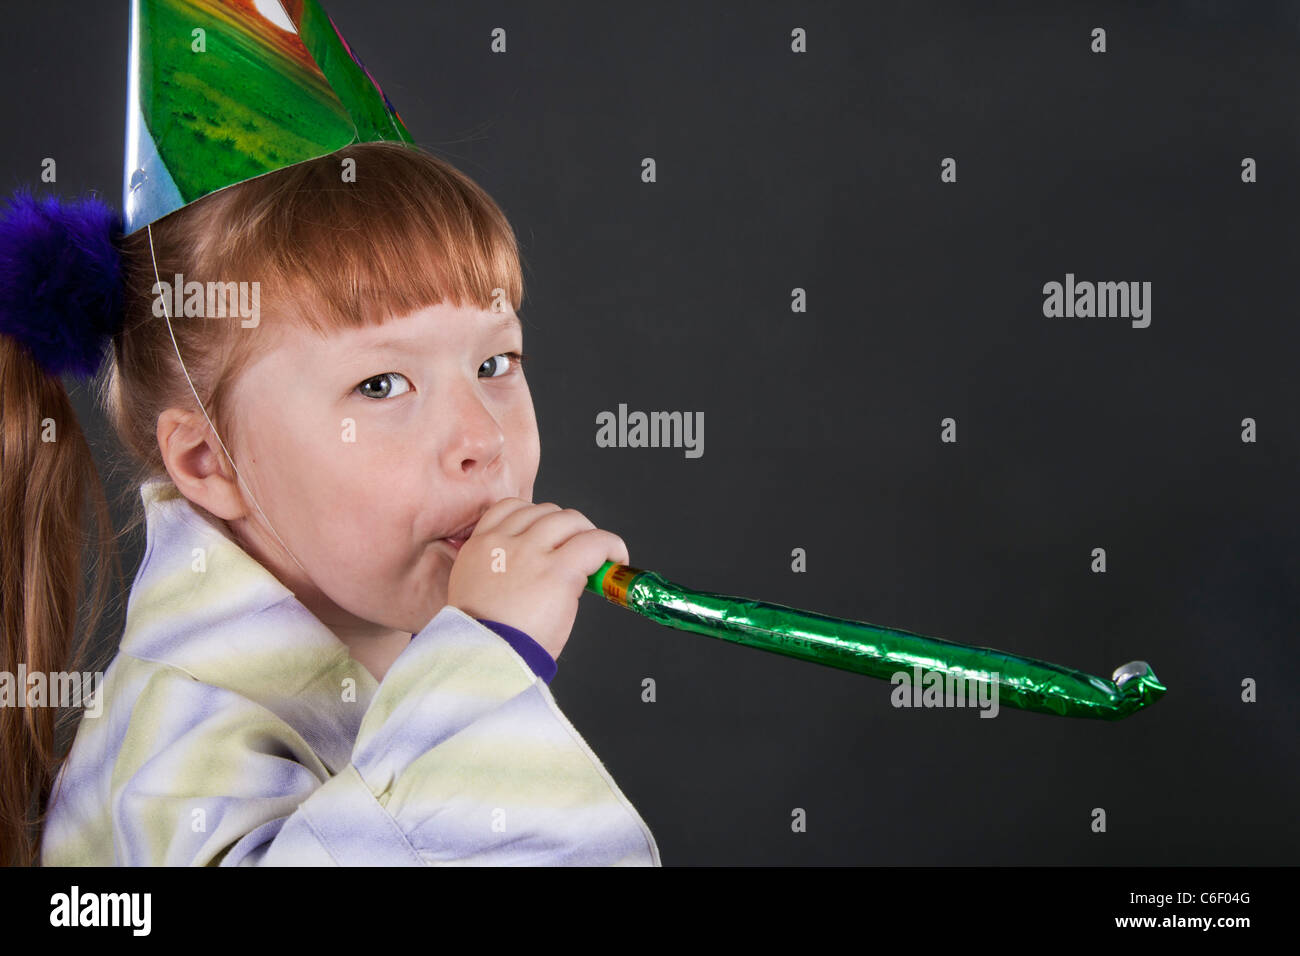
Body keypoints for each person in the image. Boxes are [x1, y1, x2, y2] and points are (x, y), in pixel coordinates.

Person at [0, 138, 661, 866]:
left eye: (493, 364)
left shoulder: (376, 637)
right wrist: (484, 669)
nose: (483, 438)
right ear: (208, 461)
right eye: (380, 385)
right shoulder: (175, 740)